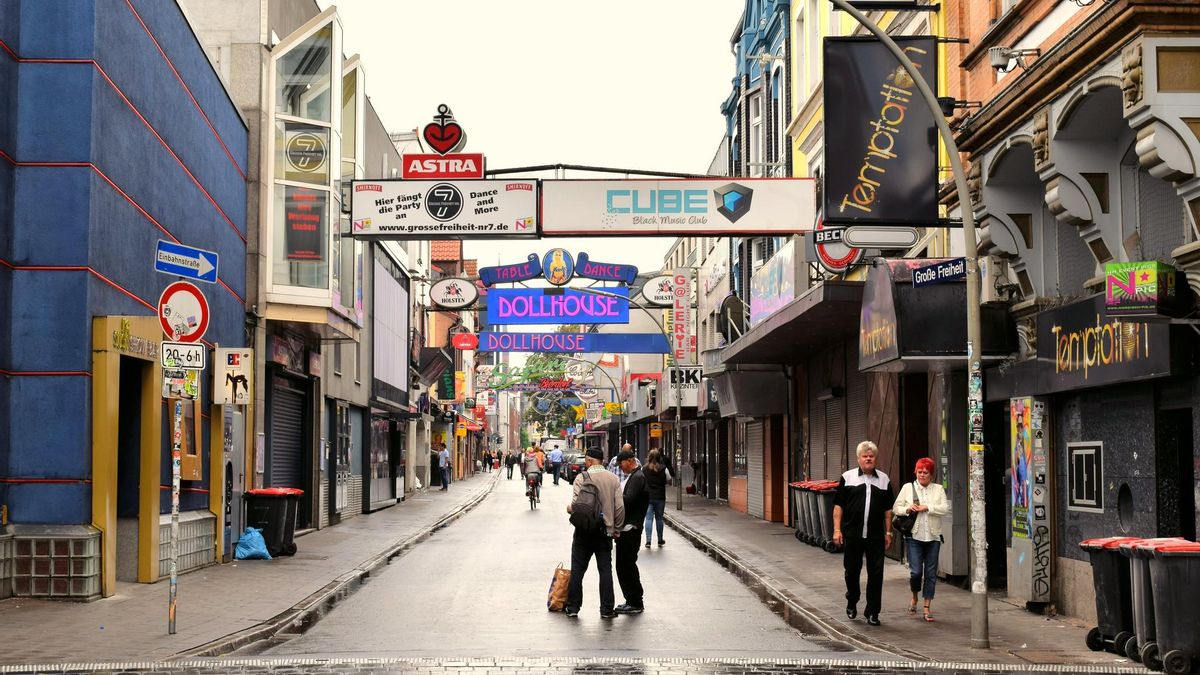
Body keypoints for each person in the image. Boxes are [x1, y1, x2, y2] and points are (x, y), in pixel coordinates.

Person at [832, 440, 894, 627]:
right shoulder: (848, 477)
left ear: (875, 458)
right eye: (865, 456)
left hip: (875, 535)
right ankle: (852, 599)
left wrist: (888, 532)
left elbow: (888, 510)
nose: (868, 458)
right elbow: (838, 506)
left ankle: (873, 612)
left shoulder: (884, 480)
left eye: (871, 456)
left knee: (876, 574)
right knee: (852, 571)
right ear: (858, 458)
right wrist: (837, 529)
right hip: (852, 533)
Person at [564, 448, 624, 619]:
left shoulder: (581, 478)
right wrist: (616, 529)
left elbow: (576, 506)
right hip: (604, 531)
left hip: (583, 530)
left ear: (589, 461)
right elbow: (619, 507)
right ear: (601, 461)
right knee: (605, 570)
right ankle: (606, 609)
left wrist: (569, 509)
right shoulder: (613, 479)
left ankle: (573, 607)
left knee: (578, 569)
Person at [892, 457, 950, 622]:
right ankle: (915, 596)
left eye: (926, 472)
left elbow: (945, 509)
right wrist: (908, 509)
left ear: (931, 475)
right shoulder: (908, 488)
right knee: (916, 572)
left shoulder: (938, 489)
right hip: (914, 537)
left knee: (931, 574)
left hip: (933, 537)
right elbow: (896, 507)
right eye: (919, 472)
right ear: (915, 472)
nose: (922, 475)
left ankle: (927, 607)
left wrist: (928, 507)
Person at [614, 449, 648, 614]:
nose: (621, 469)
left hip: (631, 528)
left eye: (621, 465)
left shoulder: (637, 477)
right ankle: (632, 600)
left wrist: (616, 496)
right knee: (624, 565)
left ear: (629, 460)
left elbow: (629, 500)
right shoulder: (635, 476)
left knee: (625, 565)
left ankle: (635, 601)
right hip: (629, 527)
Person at [641, 449, 670, 549]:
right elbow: (669, 479)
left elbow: (641, 480)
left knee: (648, 518)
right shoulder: (664, 469)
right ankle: (660, 540)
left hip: (648, 497)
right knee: (659, 518)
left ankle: (648, 541)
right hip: (660, 497)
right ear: (659, 458)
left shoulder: (644, 469)